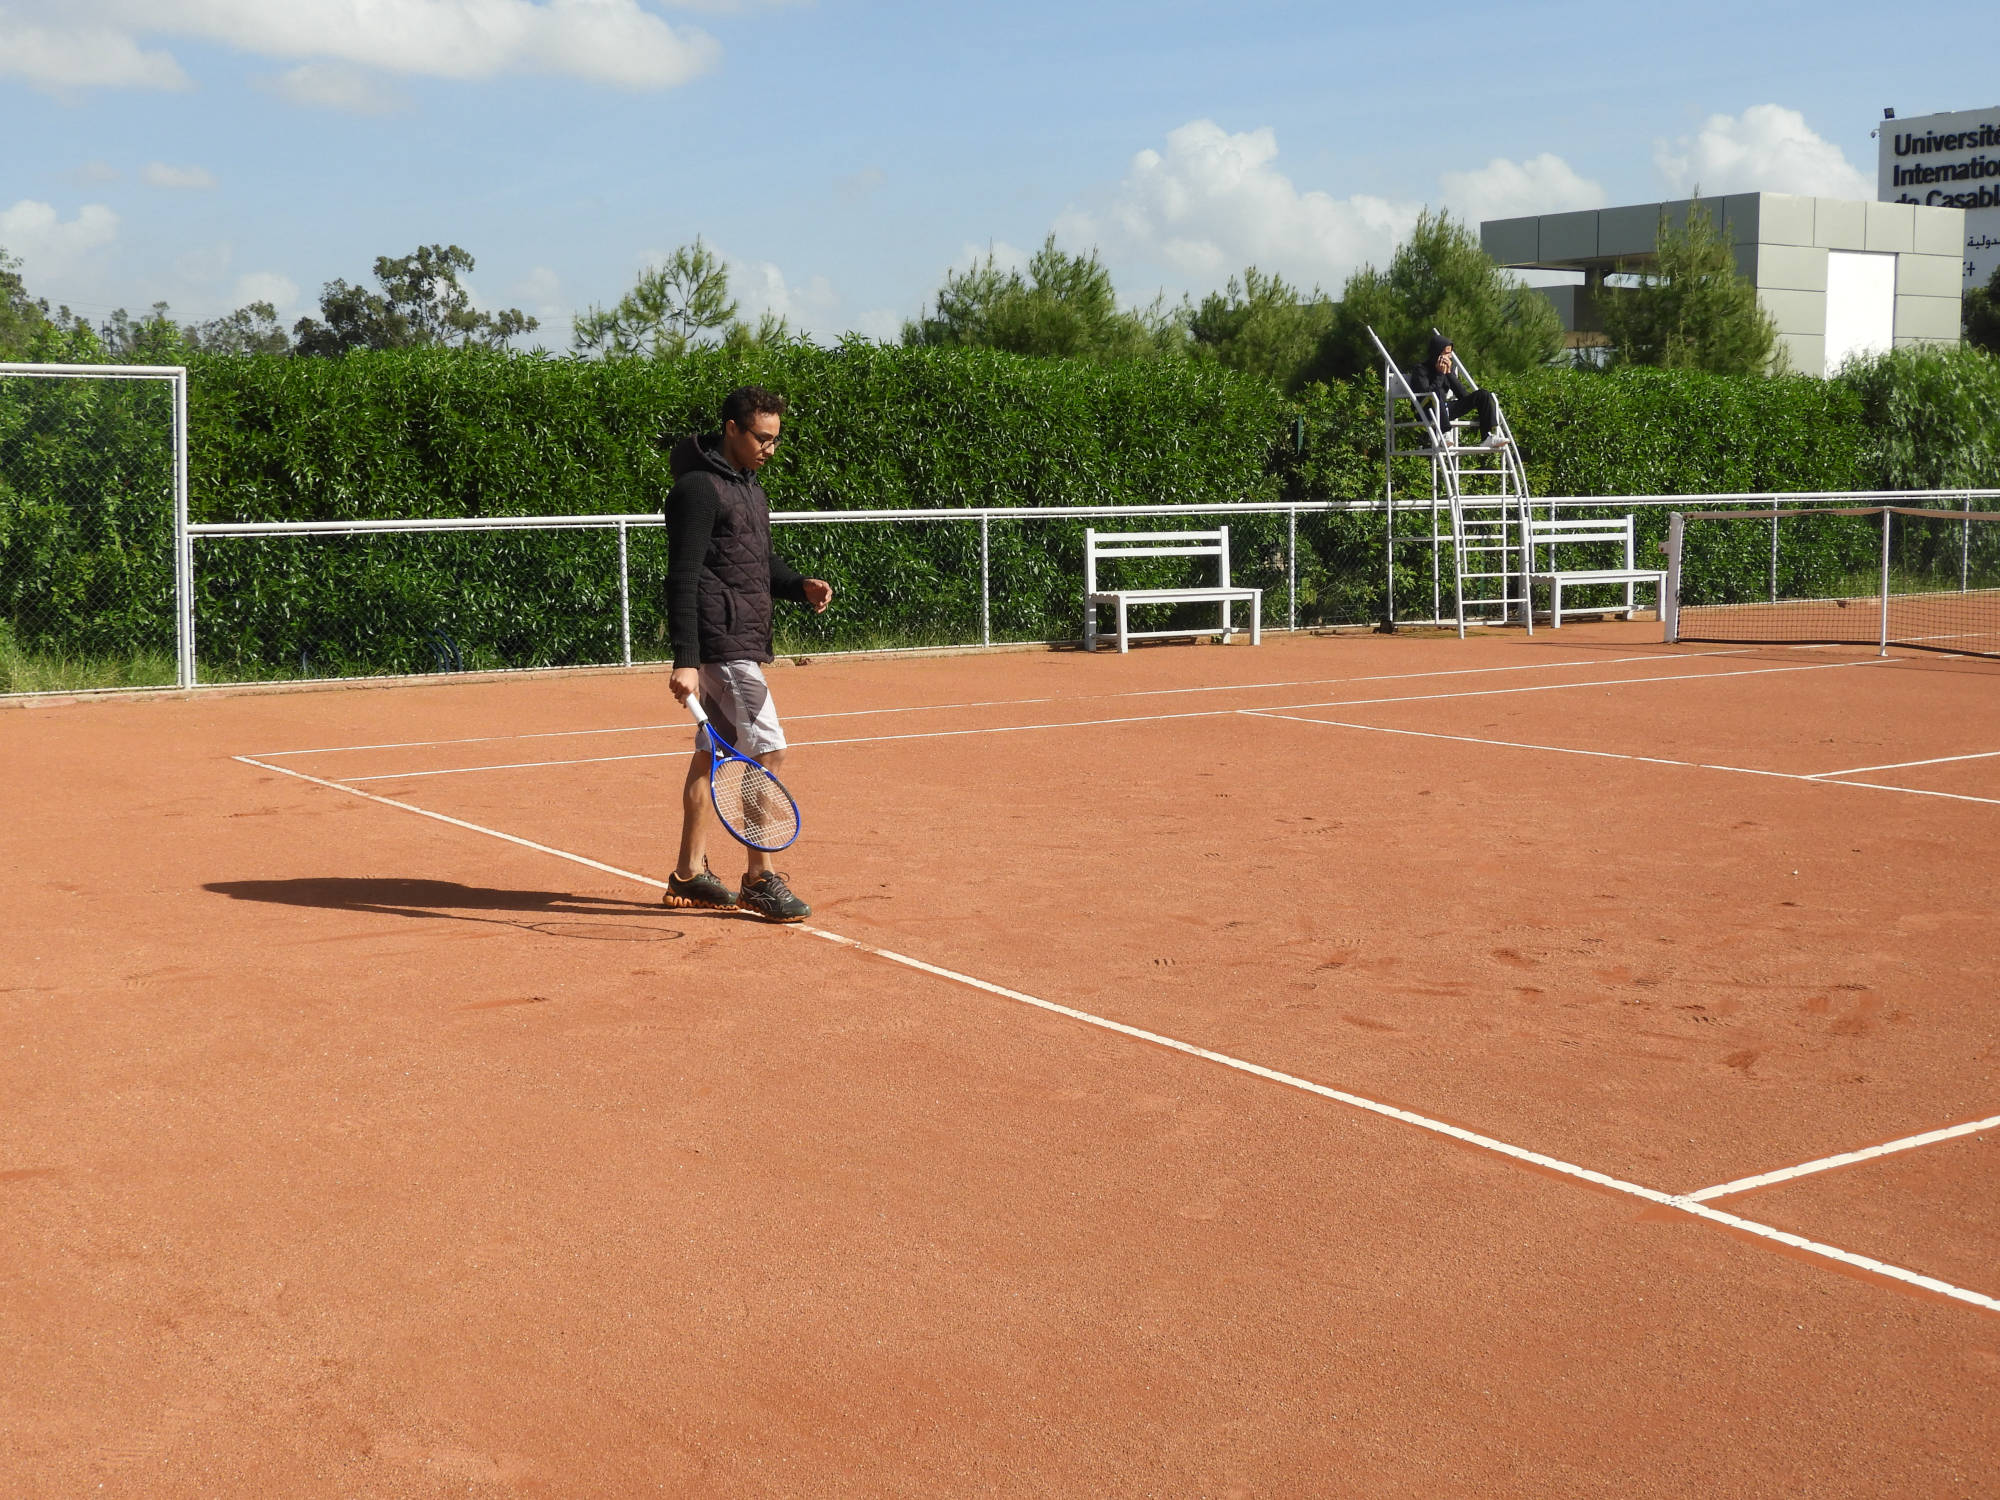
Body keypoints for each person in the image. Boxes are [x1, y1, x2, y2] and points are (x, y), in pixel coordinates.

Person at [660, 385, 833, 922]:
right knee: (768, 750)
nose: (769, 449)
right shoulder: (698, 489)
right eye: (761, 438)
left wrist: (798, 584)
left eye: (776, 440)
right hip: (722, 643)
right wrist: (685, 658)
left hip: (738, 641)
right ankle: (759, 878)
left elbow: (754, 562)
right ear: (731, 428)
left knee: (712, 754)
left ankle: (689, 873)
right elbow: (682, 576)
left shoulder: (749, 487)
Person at [1406, 333, 1507, 451]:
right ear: (1437, 353)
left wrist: (1448, 373)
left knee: (1483, 395)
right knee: (1436, 393)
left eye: (1450, 353)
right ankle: (1444, 434)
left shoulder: (1446, 369)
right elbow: (1427, 395)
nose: (1449, 356)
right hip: (1426, 410)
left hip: (1444, 409)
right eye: (1446, 353)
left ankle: (1488, 436)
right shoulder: (1420, 369)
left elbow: (1463, 395)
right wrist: (1440, 374)